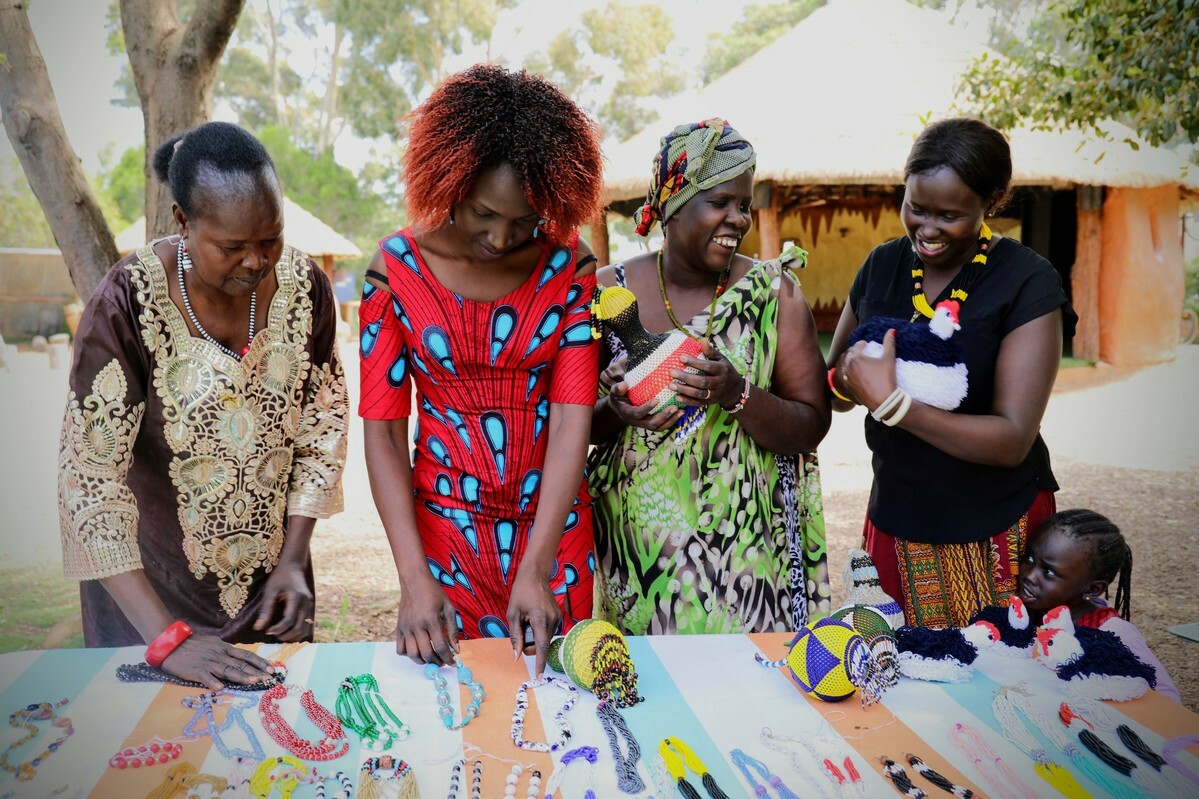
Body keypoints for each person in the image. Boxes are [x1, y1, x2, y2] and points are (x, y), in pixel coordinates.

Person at [58, 122, 348, 689]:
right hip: (149, 606)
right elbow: (90, 483)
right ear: (183, 223)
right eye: (232, 247)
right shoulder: (126, 305)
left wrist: (293, 559)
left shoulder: (305, 288)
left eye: (271, 240)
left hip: (271, 597)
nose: (256, 261)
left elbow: (321, 426)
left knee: (269, 766)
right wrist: (167, 640)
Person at [358, 65, 605, 675]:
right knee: (456, 714)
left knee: (556, 712)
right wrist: (413, 579)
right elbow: (384, 432)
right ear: (450, 182)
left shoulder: (569, 265)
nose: (501, 237)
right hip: (440, 537)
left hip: (552, 531)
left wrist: (539, 566)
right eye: (482, 213)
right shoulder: (395, 270)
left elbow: (574, 420)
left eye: (524, 221)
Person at [827, 117, 1077, 629]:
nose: (928, 228)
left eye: (950, 215)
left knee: (1003, 677)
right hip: (897, 513)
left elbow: (1011, 438)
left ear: (991, 203)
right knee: (893, 675)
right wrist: (845, 381)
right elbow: (835, 383)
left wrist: (894, 404)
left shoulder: (1025, 281)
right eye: (915, 208)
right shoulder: (882, 266)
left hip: (995, 521)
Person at [588, 118, 831, 635]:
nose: (737, 219)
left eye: (743, 205)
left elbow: (811, 423)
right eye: (720, 202)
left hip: (748, 559)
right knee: (656, 702)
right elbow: (570, 427)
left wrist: (735, 392)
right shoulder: (608, 294)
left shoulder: (772, 294)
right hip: (643, 563)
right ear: (674, 202)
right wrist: (617, 409)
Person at [1018, 509, 1179, 702]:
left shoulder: (1114, 634)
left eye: (1049, 572)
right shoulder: (1036, 612)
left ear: (1093, 589)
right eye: (1029, 558)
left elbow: (1168, 701)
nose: (1028, 576)